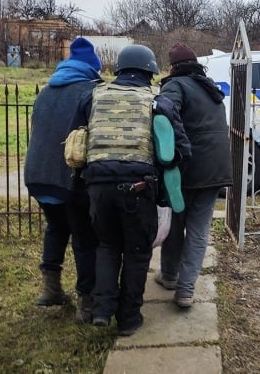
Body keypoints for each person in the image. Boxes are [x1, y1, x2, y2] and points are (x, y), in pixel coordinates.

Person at [68, 44, 191, 336]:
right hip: (138, 188)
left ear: (119, 70)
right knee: (136, 253)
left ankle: (101, 311)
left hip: (96, 187)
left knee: (107, 246)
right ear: (150, 72)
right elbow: (181, 151)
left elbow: (76, 141)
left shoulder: (93, 96)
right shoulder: (158, 102)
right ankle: (129, 319)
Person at [24, 37, 101, 323]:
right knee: (84, 237)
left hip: (37, 176)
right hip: (69, 179)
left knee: (56, 226)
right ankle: (87, 303)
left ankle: (51, 288)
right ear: (92, 67)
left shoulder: (45, 91)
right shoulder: (90, 91)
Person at [156, 42, 233, 308]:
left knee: (176, 223)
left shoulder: (175, 85)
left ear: (174, 66)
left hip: (187, 167)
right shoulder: (209, 87)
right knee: (199, 232)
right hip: (217, 167)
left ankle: (169, 276)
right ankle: (186, 291)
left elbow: (163, 111)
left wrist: (171, 149)